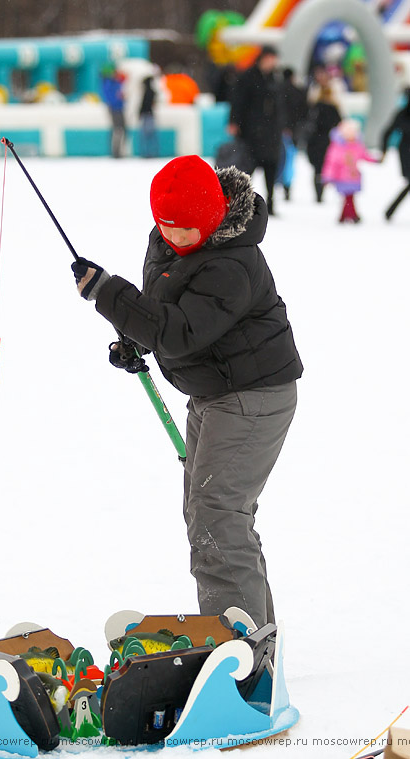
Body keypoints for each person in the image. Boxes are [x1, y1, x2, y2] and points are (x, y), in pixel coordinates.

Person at [70, 155, 303, 629]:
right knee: (210, 514)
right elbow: (162, 310)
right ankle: (254, 633)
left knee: (216, 515)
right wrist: (134, 338)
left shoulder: (232, 263)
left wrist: (110, 295)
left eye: (184, 229)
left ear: (212, 215)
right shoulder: (170, 239)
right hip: (215, 391)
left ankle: (238, 647)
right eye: (166, 226)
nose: (173, 237)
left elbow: (180, 332)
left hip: (253, 397)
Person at [229, 45, 284, 214]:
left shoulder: (274, 78)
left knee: (271, 168)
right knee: (246, 169)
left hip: (271, 133)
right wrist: (234, 121)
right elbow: (238, 101)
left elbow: (280, 104)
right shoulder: (248, 77)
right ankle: (241, 202)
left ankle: (271, 201)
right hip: (252, 132)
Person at [322, 118, 378, 223]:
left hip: (353, 176)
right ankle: (351, 215)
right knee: (348, 198)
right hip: (342, 177)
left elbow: (364, 155)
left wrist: (375, 160)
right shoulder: (337, 147)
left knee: (350, 197)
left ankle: (345, 215)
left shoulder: (357, 146)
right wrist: (328, 176)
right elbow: (331, 163)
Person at [305, 85, 342, 202]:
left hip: (316, 141)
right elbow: (339, 125)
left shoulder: (315, 108)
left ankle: (318, 193)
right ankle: (321, 192)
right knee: (324, 168)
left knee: (317, 169)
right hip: (327, 142)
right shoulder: (333, 109)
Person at [277, 67, 308, 200]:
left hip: (278, 130)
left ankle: (277, 183)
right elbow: (303, 111)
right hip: (294, 130)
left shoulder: (277, 90)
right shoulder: (297, 91)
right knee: (289, 160)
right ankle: (287, 186)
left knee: (280, 159)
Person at [380, 88, 410, 220]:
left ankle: (390, 210)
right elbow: (388, 131)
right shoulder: (403, 114)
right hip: (406, 151)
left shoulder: (402, 113)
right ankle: (390, 210)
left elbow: (387, 131)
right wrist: (384, 150)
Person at [100, 64, 127, 158]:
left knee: (120, 129)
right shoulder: (109, 83)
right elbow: (109, 97)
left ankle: (119, 150)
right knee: (117, 129)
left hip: (119, 108)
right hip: (115, 108)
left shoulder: (115, 82)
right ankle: (116, 152)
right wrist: (118, 99)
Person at [138, 75, 158, 158]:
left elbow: (144, 104)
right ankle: (152, 152)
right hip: (150, 114)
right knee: (150, 135)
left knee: (146, 135)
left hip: (147, 114)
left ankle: (147, 152)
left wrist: (140, 113)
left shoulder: (147, 92)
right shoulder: (152, 92)